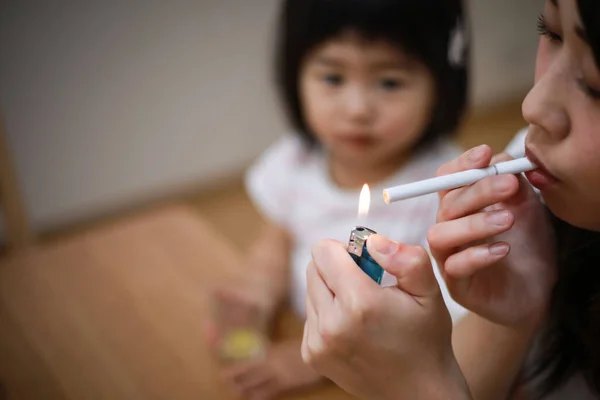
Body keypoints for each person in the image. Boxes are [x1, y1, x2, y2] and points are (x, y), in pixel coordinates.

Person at [301, 0, 600, 399]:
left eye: (595, 85)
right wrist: (515, 320)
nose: (533, 106)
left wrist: (420, 386)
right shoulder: (535, 185)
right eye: (552, 34)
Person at [206, 0, 470, 399]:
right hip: (297, 329)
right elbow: (275, 246)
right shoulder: (293, 163)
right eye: (332, 78)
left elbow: (448, 331)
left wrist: (307, 362)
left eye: (389, 82)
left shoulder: (443, 189)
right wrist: (256, 294)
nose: (357, 109)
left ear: (442, 83)